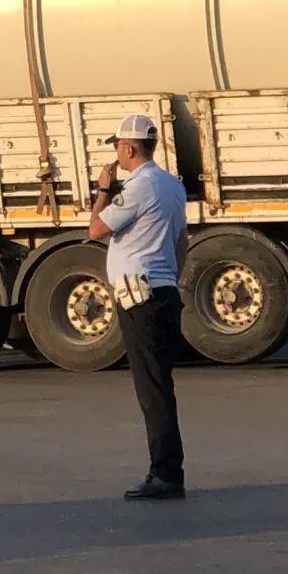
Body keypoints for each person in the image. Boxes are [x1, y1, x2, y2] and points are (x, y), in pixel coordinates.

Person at [89, 112, 190, 501]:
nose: (116, 153)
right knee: (160, 385)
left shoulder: (137, 188)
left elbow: (96, 230)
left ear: (129, 148)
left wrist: (102, 190)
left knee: (152, 389)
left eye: (117, 146)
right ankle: (168, 470)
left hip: (139, 296)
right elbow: (181, 239)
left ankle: (165, 473)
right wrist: (171, 274)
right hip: (162, 290)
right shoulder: (172, 186)